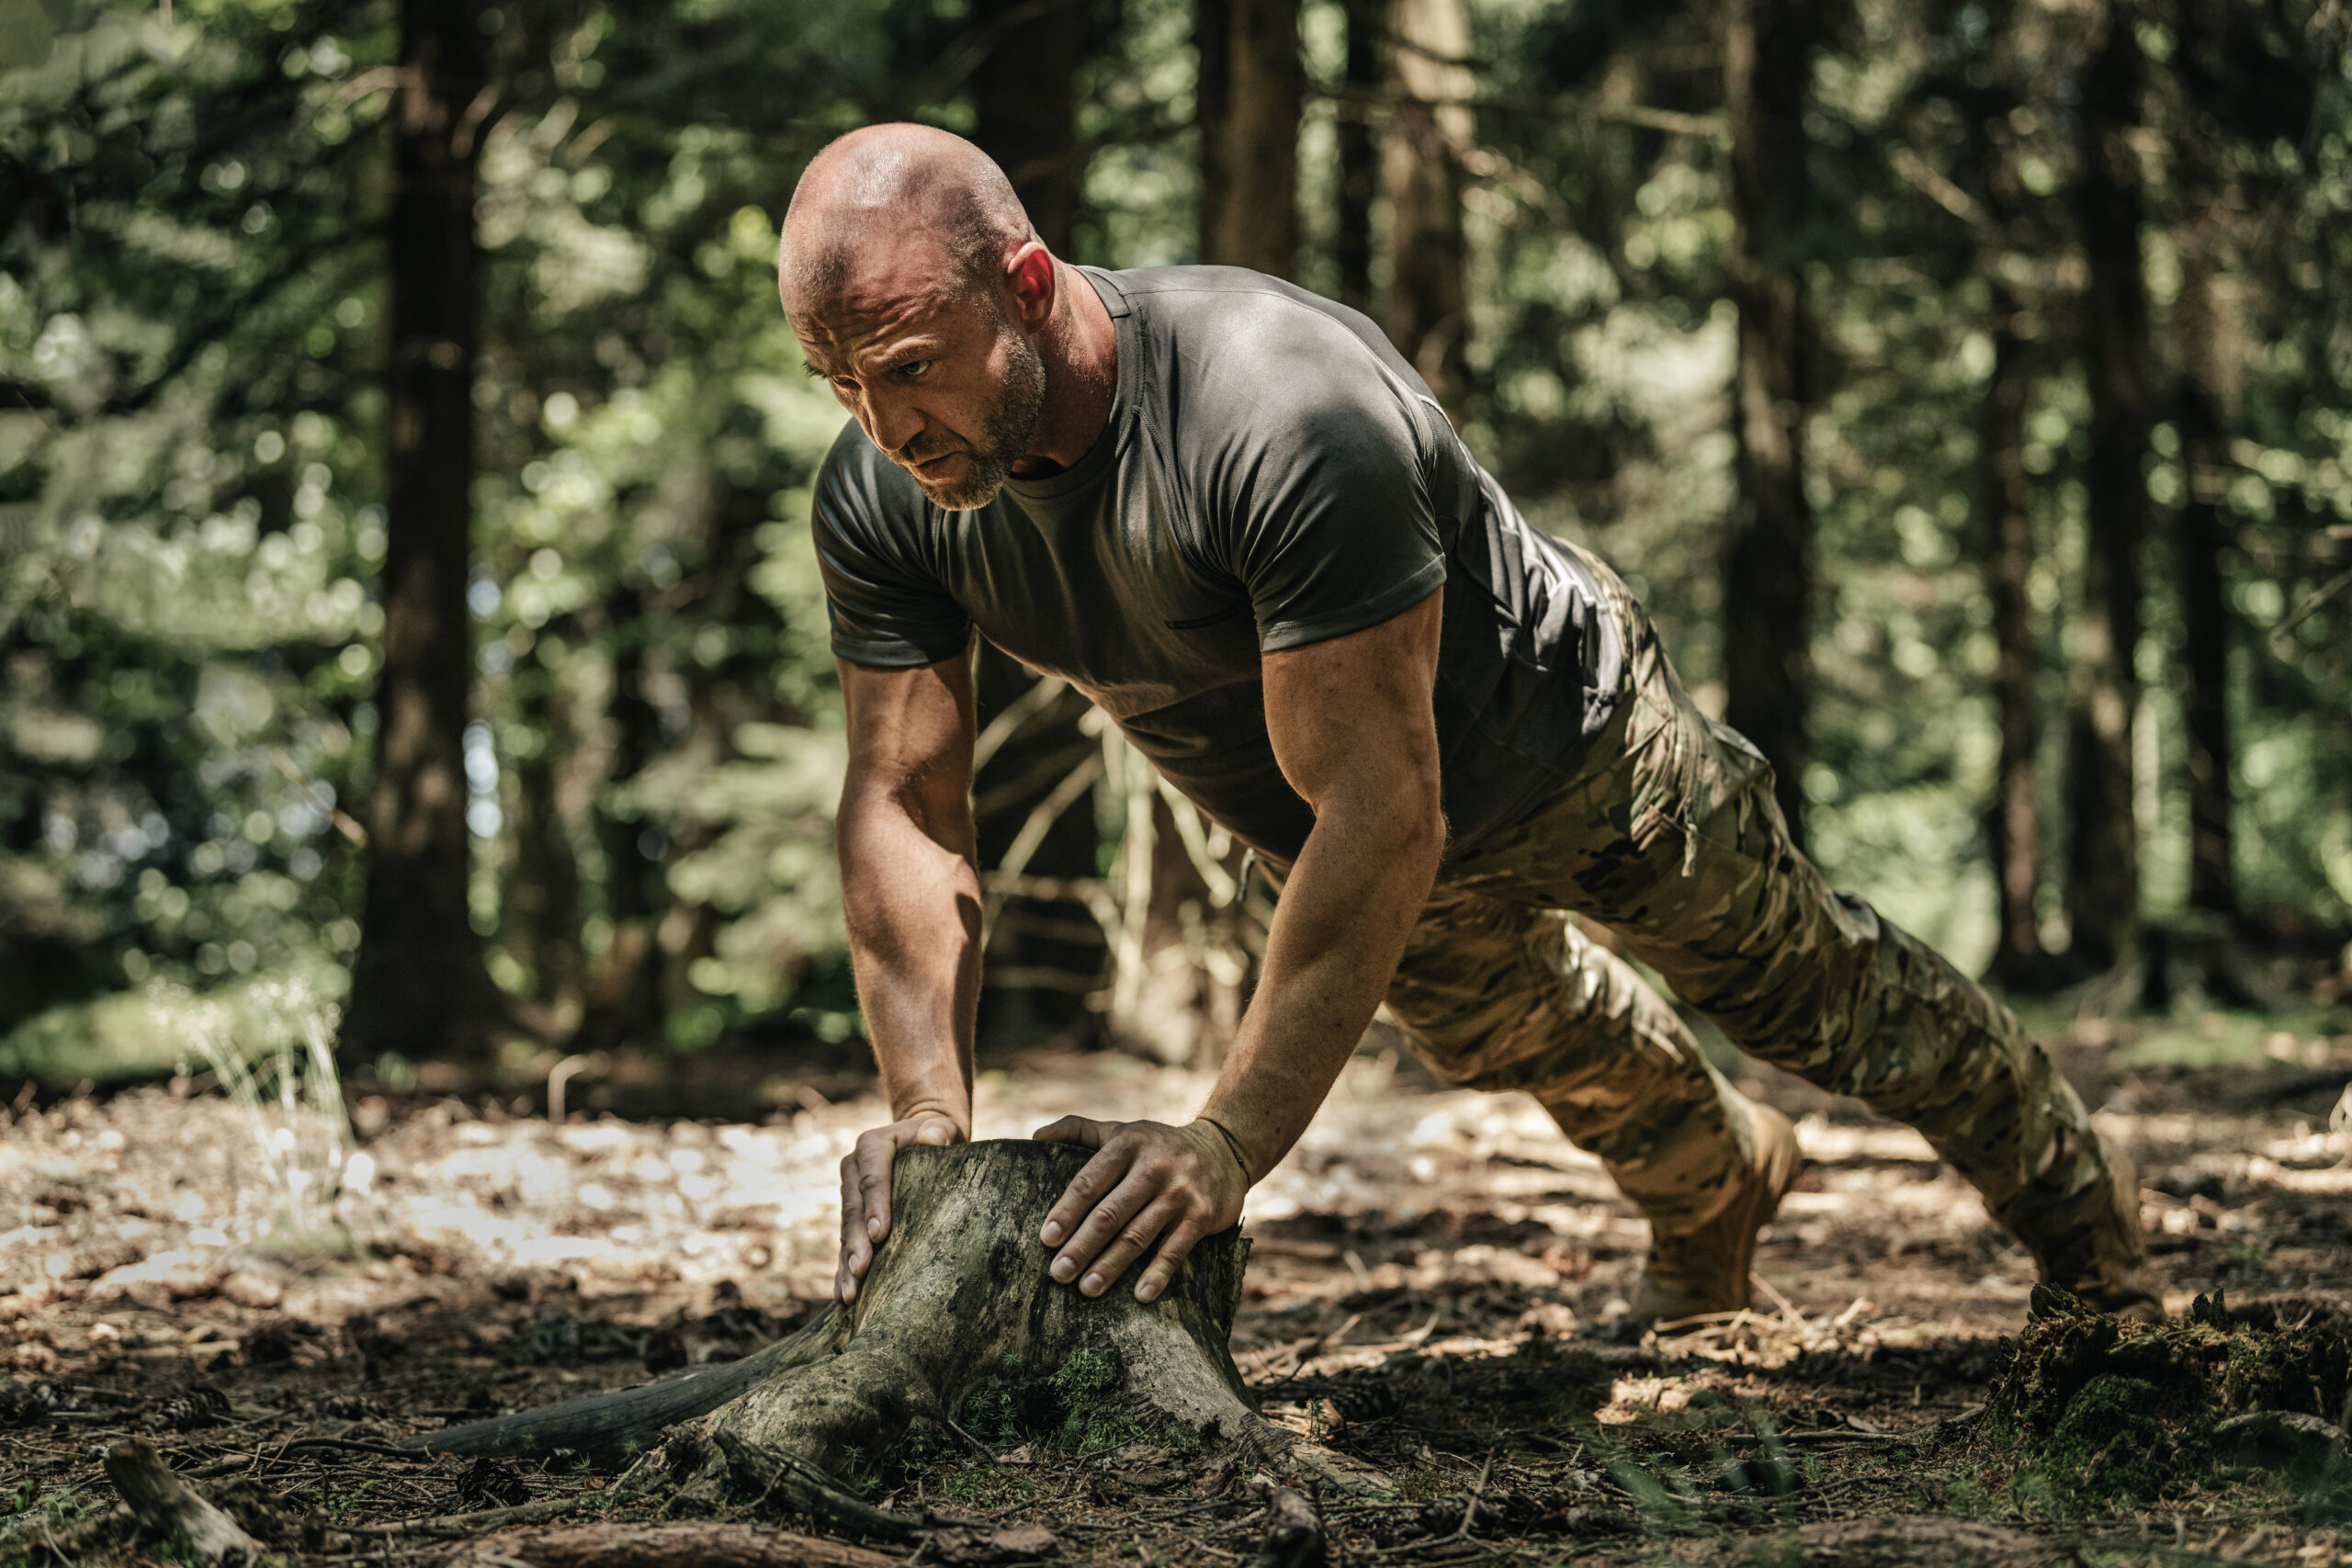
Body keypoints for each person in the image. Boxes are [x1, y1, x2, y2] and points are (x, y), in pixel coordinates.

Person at [778, 122, 2162, 1328]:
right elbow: (905, 801)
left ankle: (2091, 1232)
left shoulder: (1280, 409)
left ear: (1026, 287)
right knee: (1532, 1039)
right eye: (839, 384)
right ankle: (1720, 1187)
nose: (885, 424)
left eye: (907, 367)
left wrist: (1223, 1145)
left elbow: (1389, 807)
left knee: (1816, 1000)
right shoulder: (890, 495)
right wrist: (926, 1122)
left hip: (1582, 752)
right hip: (1344, 834)